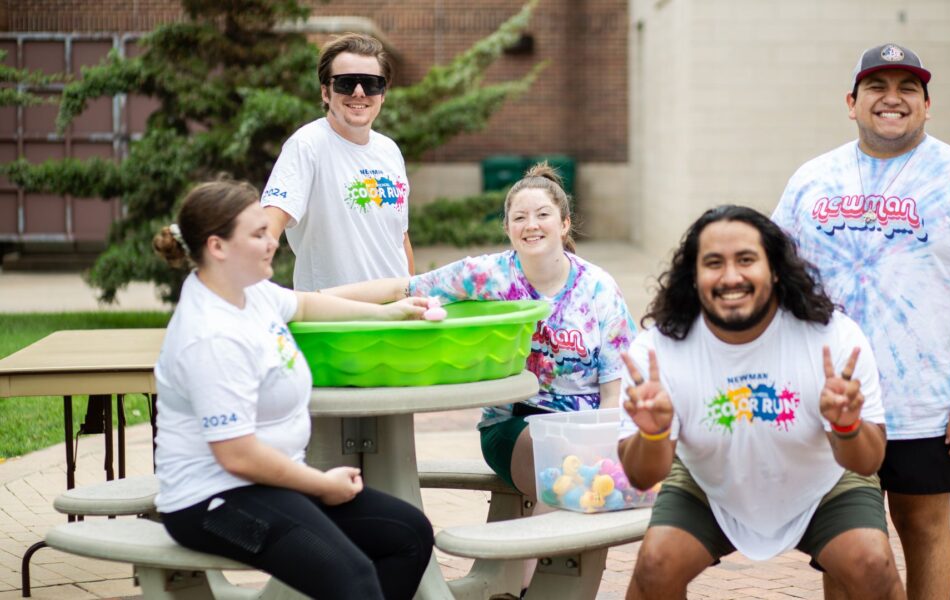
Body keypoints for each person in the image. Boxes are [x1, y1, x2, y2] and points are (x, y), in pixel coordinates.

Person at [773, 43, 950, 599]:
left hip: (928, 406)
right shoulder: (813, 180)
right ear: (852, 102)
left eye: (907, 88)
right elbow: (775, 282)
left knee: (925, 530)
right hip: (835, 400)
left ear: (926, 105)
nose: (892, 99)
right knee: (843, 545)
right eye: (877, 87)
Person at [152, 179, 434, 600]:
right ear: (218, 247)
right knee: (352, 578)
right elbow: (237, 455)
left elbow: (305, 304)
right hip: (212, 504)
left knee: (408, 535)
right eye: (258, 234)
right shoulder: (210, 335)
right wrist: (318, 484)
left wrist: (388, 312)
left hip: (269, 485)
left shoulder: (250, 293)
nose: (272, 242)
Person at [618, 206, 904, 600]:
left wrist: (846, 425)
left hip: (823, 481)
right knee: (655, 564)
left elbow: (867, 462)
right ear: (694, 276)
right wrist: (652, 434)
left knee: (873, 564)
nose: (731, 276)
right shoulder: (657, 349)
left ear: (774, 269)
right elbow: (639, 474)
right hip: (709, 482)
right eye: (714, 263)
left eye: (746, 260)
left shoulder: (833, 336)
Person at [326, 163, 637, 498]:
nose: (531, 225)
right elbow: (406, 288)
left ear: (564, 224)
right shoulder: (490, 275)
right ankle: (534, 550)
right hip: (514, 425)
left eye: (543, 215)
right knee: (565, 472)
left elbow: (613, 393)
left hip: (588, 429)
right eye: (519, 218)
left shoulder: (599, 289)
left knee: (602, 479)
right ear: (507, 228)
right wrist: (316, 300)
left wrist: (600, 449)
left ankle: (526, 551)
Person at [262, 33, 414, 291]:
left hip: (396, 315)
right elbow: (267, 226)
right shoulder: (306, 146)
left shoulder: (389, 150)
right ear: (325, 92)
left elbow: (399, 239)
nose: (359, 92)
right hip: (336, 319)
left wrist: (413, 293)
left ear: (382, 94)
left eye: (371, 83)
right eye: (346, 83)